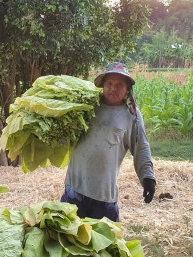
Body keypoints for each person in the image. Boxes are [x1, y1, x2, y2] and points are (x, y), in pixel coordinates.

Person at [61, 62, 156, 222]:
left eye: (119, 85)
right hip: (74, 189)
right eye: (109, 83)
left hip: (104, 195)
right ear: (103, 86)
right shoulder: (86, 106)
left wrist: (148, 177)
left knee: (105, 244)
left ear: (127, 89)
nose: (113, 88)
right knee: (68, 241)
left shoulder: (131, 115)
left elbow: (141, 147)